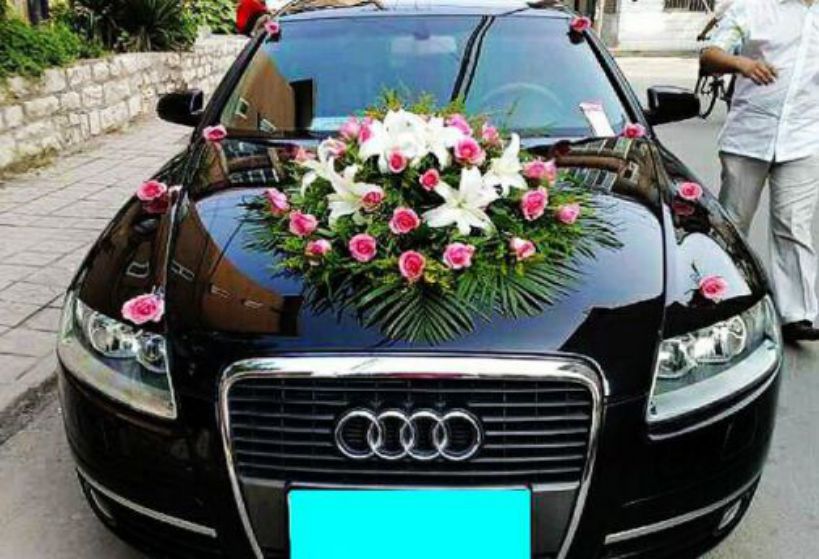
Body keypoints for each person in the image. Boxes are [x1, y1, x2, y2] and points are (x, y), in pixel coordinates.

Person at [700, 0, 819, 342]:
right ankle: (723, 300)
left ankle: (796, 314)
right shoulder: (752, 9)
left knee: (794, 224)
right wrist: (742, 63)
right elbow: (709, 56)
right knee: (733, 222)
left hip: (804, 139)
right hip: (748, 137)